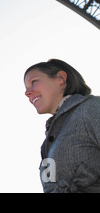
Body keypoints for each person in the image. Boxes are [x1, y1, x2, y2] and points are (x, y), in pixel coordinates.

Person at [24, 58, 100, 193]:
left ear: (61, 78)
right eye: (26, 88)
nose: (27, 92)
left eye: (34, 82)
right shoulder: (48, 142)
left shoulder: (90, 107)